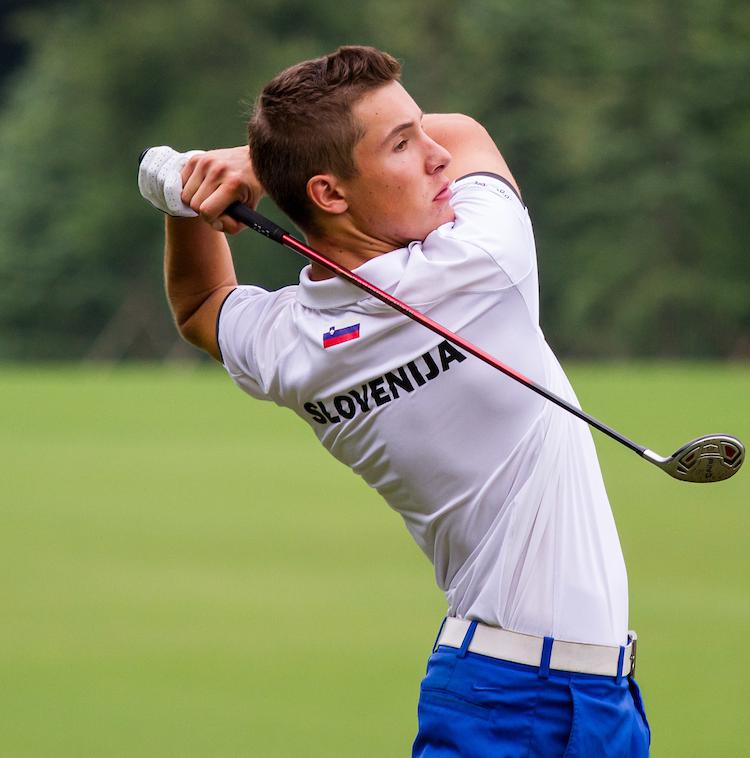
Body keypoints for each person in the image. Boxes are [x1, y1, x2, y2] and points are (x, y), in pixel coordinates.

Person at [138, 45, 650, 757]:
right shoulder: (480, 262)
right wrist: (246, 164)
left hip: (544, 690)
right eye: (404, 143)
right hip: (523, 701)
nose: (438, 155)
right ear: (329, 193)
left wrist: (183, 197)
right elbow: (471, 132)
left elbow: (200, 305)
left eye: (421, 130)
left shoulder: (293, 345)